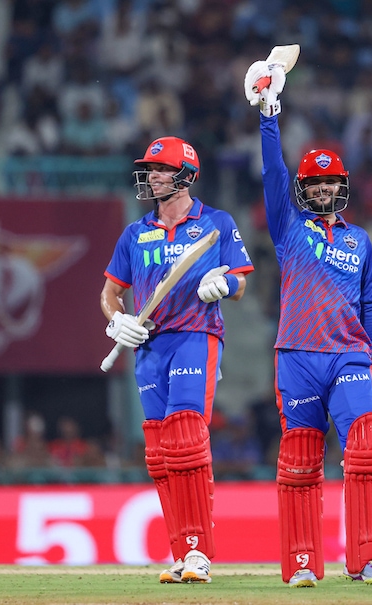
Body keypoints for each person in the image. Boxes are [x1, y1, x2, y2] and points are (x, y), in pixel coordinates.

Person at [243, 60, 372, 587]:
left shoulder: (360, 240)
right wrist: (269, 115)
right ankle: (302, 564)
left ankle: (368, 559)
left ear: (342, 186)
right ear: (302, 190)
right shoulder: (288, 227)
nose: (321, 190)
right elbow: (272, 173)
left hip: (350, 355)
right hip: (298, 356)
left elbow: (370, 303)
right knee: (300, 459)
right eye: (313, 184)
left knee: (368, 445)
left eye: (330, 182)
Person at [100, 136, 254, 583]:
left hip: (195, 336)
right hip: (149, 345)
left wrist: (223, 285)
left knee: (186, 437)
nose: (152, 177)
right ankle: (182, 551)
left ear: (186, 175)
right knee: (160, 453)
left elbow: (241, 281)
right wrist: (116, 321)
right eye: (150, 170)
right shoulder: (135, 232)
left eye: (162, 169)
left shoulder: (216, 223)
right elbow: (111, 292)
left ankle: (200, 552)